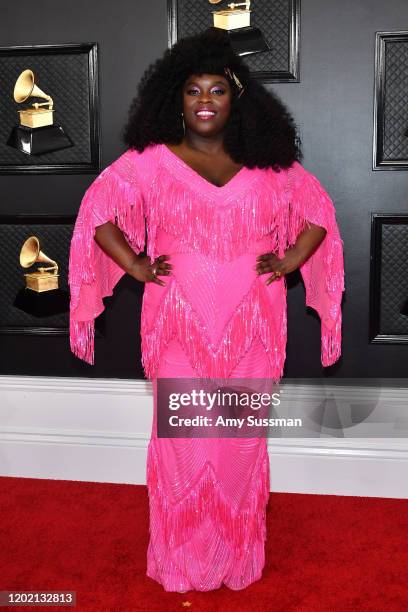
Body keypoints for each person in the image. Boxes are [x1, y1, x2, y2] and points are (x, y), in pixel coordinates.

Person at [68, 28, 345, 593]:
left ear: (236, 97)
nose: (204, 101)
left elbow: (317, 210)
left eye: (217, 89)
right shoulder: (149, 162)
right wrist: (139, 265)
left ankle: (236, 557)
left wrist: (291, 257)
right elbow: (98, 210)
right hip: (178, 325)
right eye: (193, 90)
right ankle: (183, 559)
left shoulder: (268, 164)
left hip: (254, 325)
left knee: (240, 443)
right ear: (176, 98)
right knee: (184, 445)